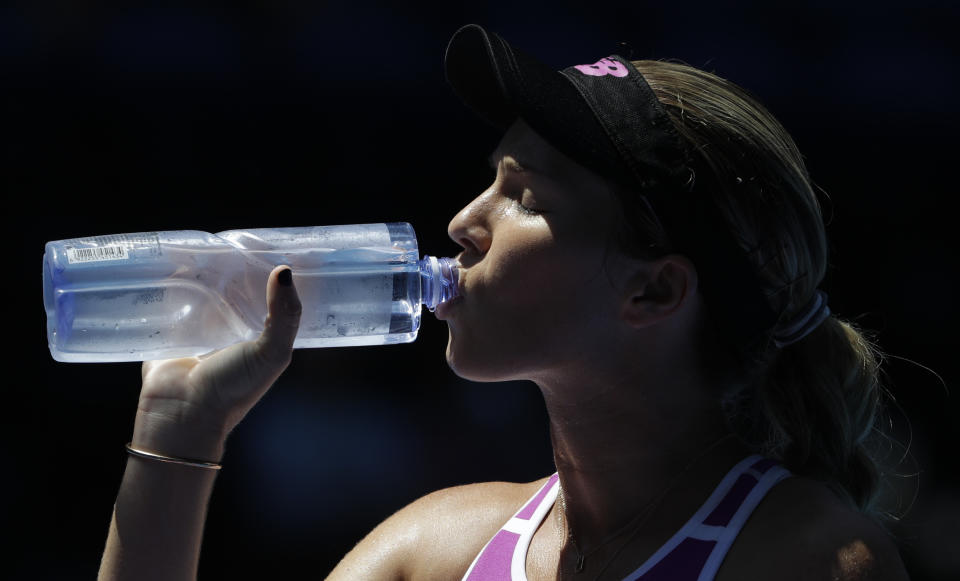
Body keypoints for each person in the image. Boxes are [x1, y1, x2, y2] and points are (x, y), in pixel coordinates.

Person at [98, 24, 910, 580]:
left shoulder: (806, 559)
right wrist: (178, 432)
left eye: (521, 195)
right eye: (491, 178)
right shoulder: (435, 546)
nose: (462, 221)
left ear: (653, 289)